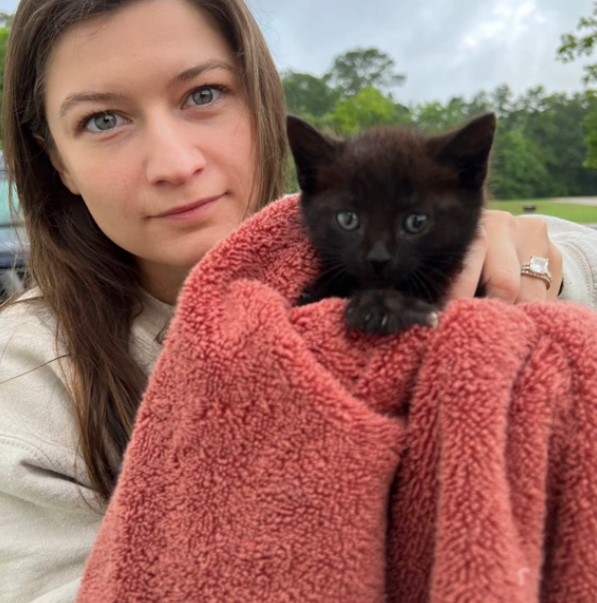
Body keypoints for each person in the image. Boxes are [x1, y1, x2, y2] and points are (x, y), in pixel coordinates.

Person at [0, 0, 595, 600]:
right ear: (58, 161)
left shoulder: (450, 248)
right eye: (103, 120)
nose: (176, 164)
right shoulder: (25, 382)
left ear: (262, 103)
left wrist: (538, 276)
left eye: (203, 94)